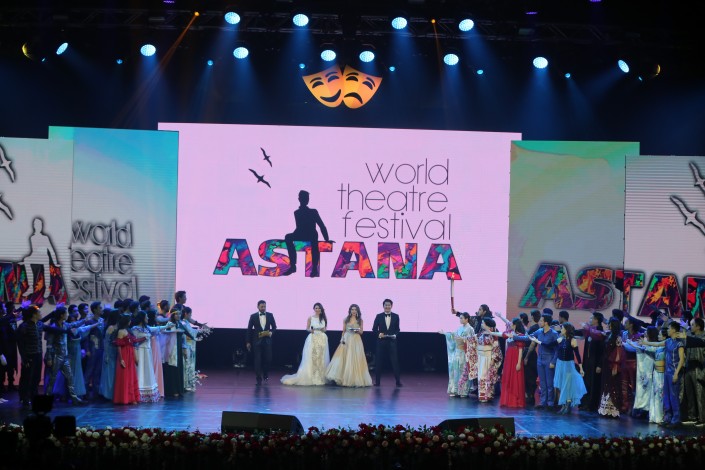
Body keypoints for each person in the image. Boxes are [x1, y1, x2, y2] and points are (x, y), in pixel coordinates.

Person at [281, 190, 331, 277]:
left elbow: (321, 225)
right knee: (288, 237)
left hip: (311, 234)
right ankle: (293, 266)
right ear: (299, 199)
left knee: (314, 240)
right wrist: (294, 235)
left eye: (307, 198)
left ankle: (314, 268)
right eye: (304, 198)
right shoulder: (296, 212)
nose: (306, 200)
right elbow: (299, 227)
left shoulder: (313, 211)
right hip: (301, 233)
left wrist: (326, 239)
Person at [282, 303, 330, 385]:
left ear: (321, 309)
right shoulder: (310, 317)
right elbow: (307, 328)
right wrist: (311, 330)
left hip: (322, 338)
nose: (317, 309)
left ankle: (320, 376)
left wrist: (323, 329)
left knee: (321, 357)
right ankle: (311, 376)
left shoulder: (324, 318)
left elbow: (325, 329)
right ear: (314, 309)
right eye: (316, 308)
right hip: (313, 337)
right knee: (312, 356)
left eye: (319, 308)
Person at [325, 304, 373, 387]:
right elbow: (343, 331)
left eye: (355, 310)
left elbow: (361, 332)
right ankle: (342, 378)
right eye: (352, 309)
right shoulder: (346, 319)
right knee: (344, 357)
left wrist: (357, 331)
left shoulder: (360, 320)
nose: (353, 311)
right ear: (350, 311)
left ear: (357, 311)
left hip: (356, 340)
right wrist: (342, 339)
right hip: (347, 338)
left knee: (355, 358)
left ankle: (354, 379)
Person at [548, 322, 586, 414]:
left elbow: (577, 355)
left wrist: (581, 368)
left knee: (567, 385)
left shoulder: (573, 340)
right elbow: (548, 344)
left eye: (562, 328)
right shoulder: (560, 339)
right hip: (560, 365)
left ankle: (567, 405)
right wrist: (538, 341)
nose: (561, 329)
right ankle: (563, 405)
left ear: (566, 330)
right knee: (561, 385)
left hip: (568, 365)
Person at [493, 316, 529, 408]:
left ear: (515, 325)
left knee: (515, 378)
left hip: (515, 358)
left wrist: (519, 363)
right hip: (509, 358)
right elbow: (500, 334)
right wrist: (490, 332)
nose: (510, 324)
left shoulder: (520, 335)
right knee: (508, 378)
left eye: (511, 323)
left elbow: (520, 349)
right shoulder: (509, 332)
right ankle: (507, 400)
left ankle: (515, 401)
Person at [439, 311, 475, 397]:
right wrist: (445, 333)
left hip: (464, 352)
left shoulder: (470, 329)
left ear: (467, 319)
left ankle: (463, 391)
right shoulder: (459, 328)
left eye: (462, 318)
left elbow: (472, 341)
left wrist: (463, 339)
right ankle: (455, 390)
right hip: (457, 352)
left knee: (463, 371)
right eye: (460, 318)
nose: (460, 320)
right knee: (455, 371)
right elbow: (453, 335)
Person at [598, 318, 626, 418]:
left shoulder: (617, 338)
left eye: (609, 324)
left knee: (613, 385)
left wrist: (615, 366)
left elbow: (619, 353)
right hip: (606, 364)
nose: (608, 325)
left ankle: (613, 408)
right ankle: (605, 409)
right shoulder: (608, 335)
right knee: (606, 384)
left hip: (612, 365)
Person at [531, 313, 559, 410]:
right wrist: (514, 336)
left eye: (541, 321)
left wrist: (553, 362)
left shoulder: (554, 334)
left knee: (549, 383)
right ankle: (543, 402)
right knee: (542, 383)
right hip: (540, 360)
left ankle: (550, 403)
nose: (539, 322)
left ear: (546, 322)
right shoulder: (539, 331)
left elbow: (557, 350)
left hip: (549, 359)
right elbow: (529, 337)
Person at [113, 314, 143, 405]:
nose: (130, 321)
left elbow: (134, 341)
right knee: (125, 376)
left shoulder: (128, 330)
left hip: (130, 353)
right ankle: (125, 398)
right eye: (129, 320)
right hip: (124, 354)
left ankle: (132, 398)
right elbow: (118, 345)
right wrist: (121, 359)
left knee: (131, 375)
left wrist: (144, 338)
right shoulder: (121, 331)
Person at [372, 299, 401, 387]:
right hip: (381, 342)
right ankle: (377, 382)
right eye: (386, 305)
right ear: (383, 306)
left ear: (391, 306)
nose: (387, 306)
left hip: (392, 342)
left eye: (389, 305)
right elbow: (374, 329)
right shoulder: (379, 316)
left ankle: (398, 381)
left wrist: (395, 334)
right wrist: (379, 334)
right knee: (379, 361)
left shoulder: (396, 316)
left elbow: (397, 329)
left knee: (394, 361)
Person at [246, 300, 277, 386]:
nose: (263, 308)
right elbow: (249, 330)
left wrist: (271, 332)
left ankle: (265, 373)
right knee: (257, 360)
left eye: (264, 306)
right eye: (262, 307)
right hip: (256, 341)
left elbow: (274, 327)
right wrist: (248, 341)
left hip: (267, 340)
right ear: (258, 307)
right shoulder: (253, 316)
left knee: (268, 359)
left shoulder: (270, 315)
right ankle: (258, 378)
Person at [580, 312, 606, 411]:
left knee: (593, 383)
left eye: (591, 318)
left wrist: (599, 365)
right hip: (587, 362)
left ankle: (592, 404)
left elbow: (602, 351)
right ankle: (585, 403)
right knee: (586, 382)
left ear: (596, 320)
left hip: (595, 362)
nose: (589, 320)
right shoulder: (590, 331)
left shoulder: (600, 333)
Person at [99, 309, 121, 401]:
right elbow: (107, 342)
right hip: (110, 352)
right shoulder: (111, 327)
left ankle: (113, 393)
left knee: (114, 373)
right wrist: (107, 355)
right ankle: (108, 394)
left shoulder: (117, 326)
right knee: (109, 373)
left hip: (115, 351)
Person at [523, 310, 541, 406]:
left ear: (533, 316)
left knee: (530, 375)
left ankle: (530, 396)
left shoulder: (535, 328)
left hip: (530, 353)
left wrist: (526, 357)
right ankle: (529, 395)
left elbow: (532, 344)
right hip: (529, 352)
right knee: (528, 375)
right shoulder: (533, 327)